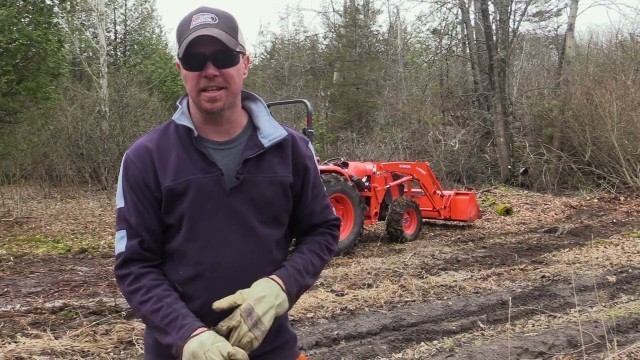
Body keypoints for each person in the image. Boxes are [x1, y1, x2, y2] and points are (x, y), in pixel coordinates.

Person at [114, 6, 340, 360]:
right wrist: (188, 335)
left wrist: (281, 286)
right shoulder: (146, 159)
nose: (210, 71)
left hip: (271, 350)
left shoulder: (292, 150)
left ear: (245, 63)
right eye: (194, 60)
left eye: (223, 56)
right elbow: (135, 265)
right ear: (180, 70)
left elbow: (323, 230)